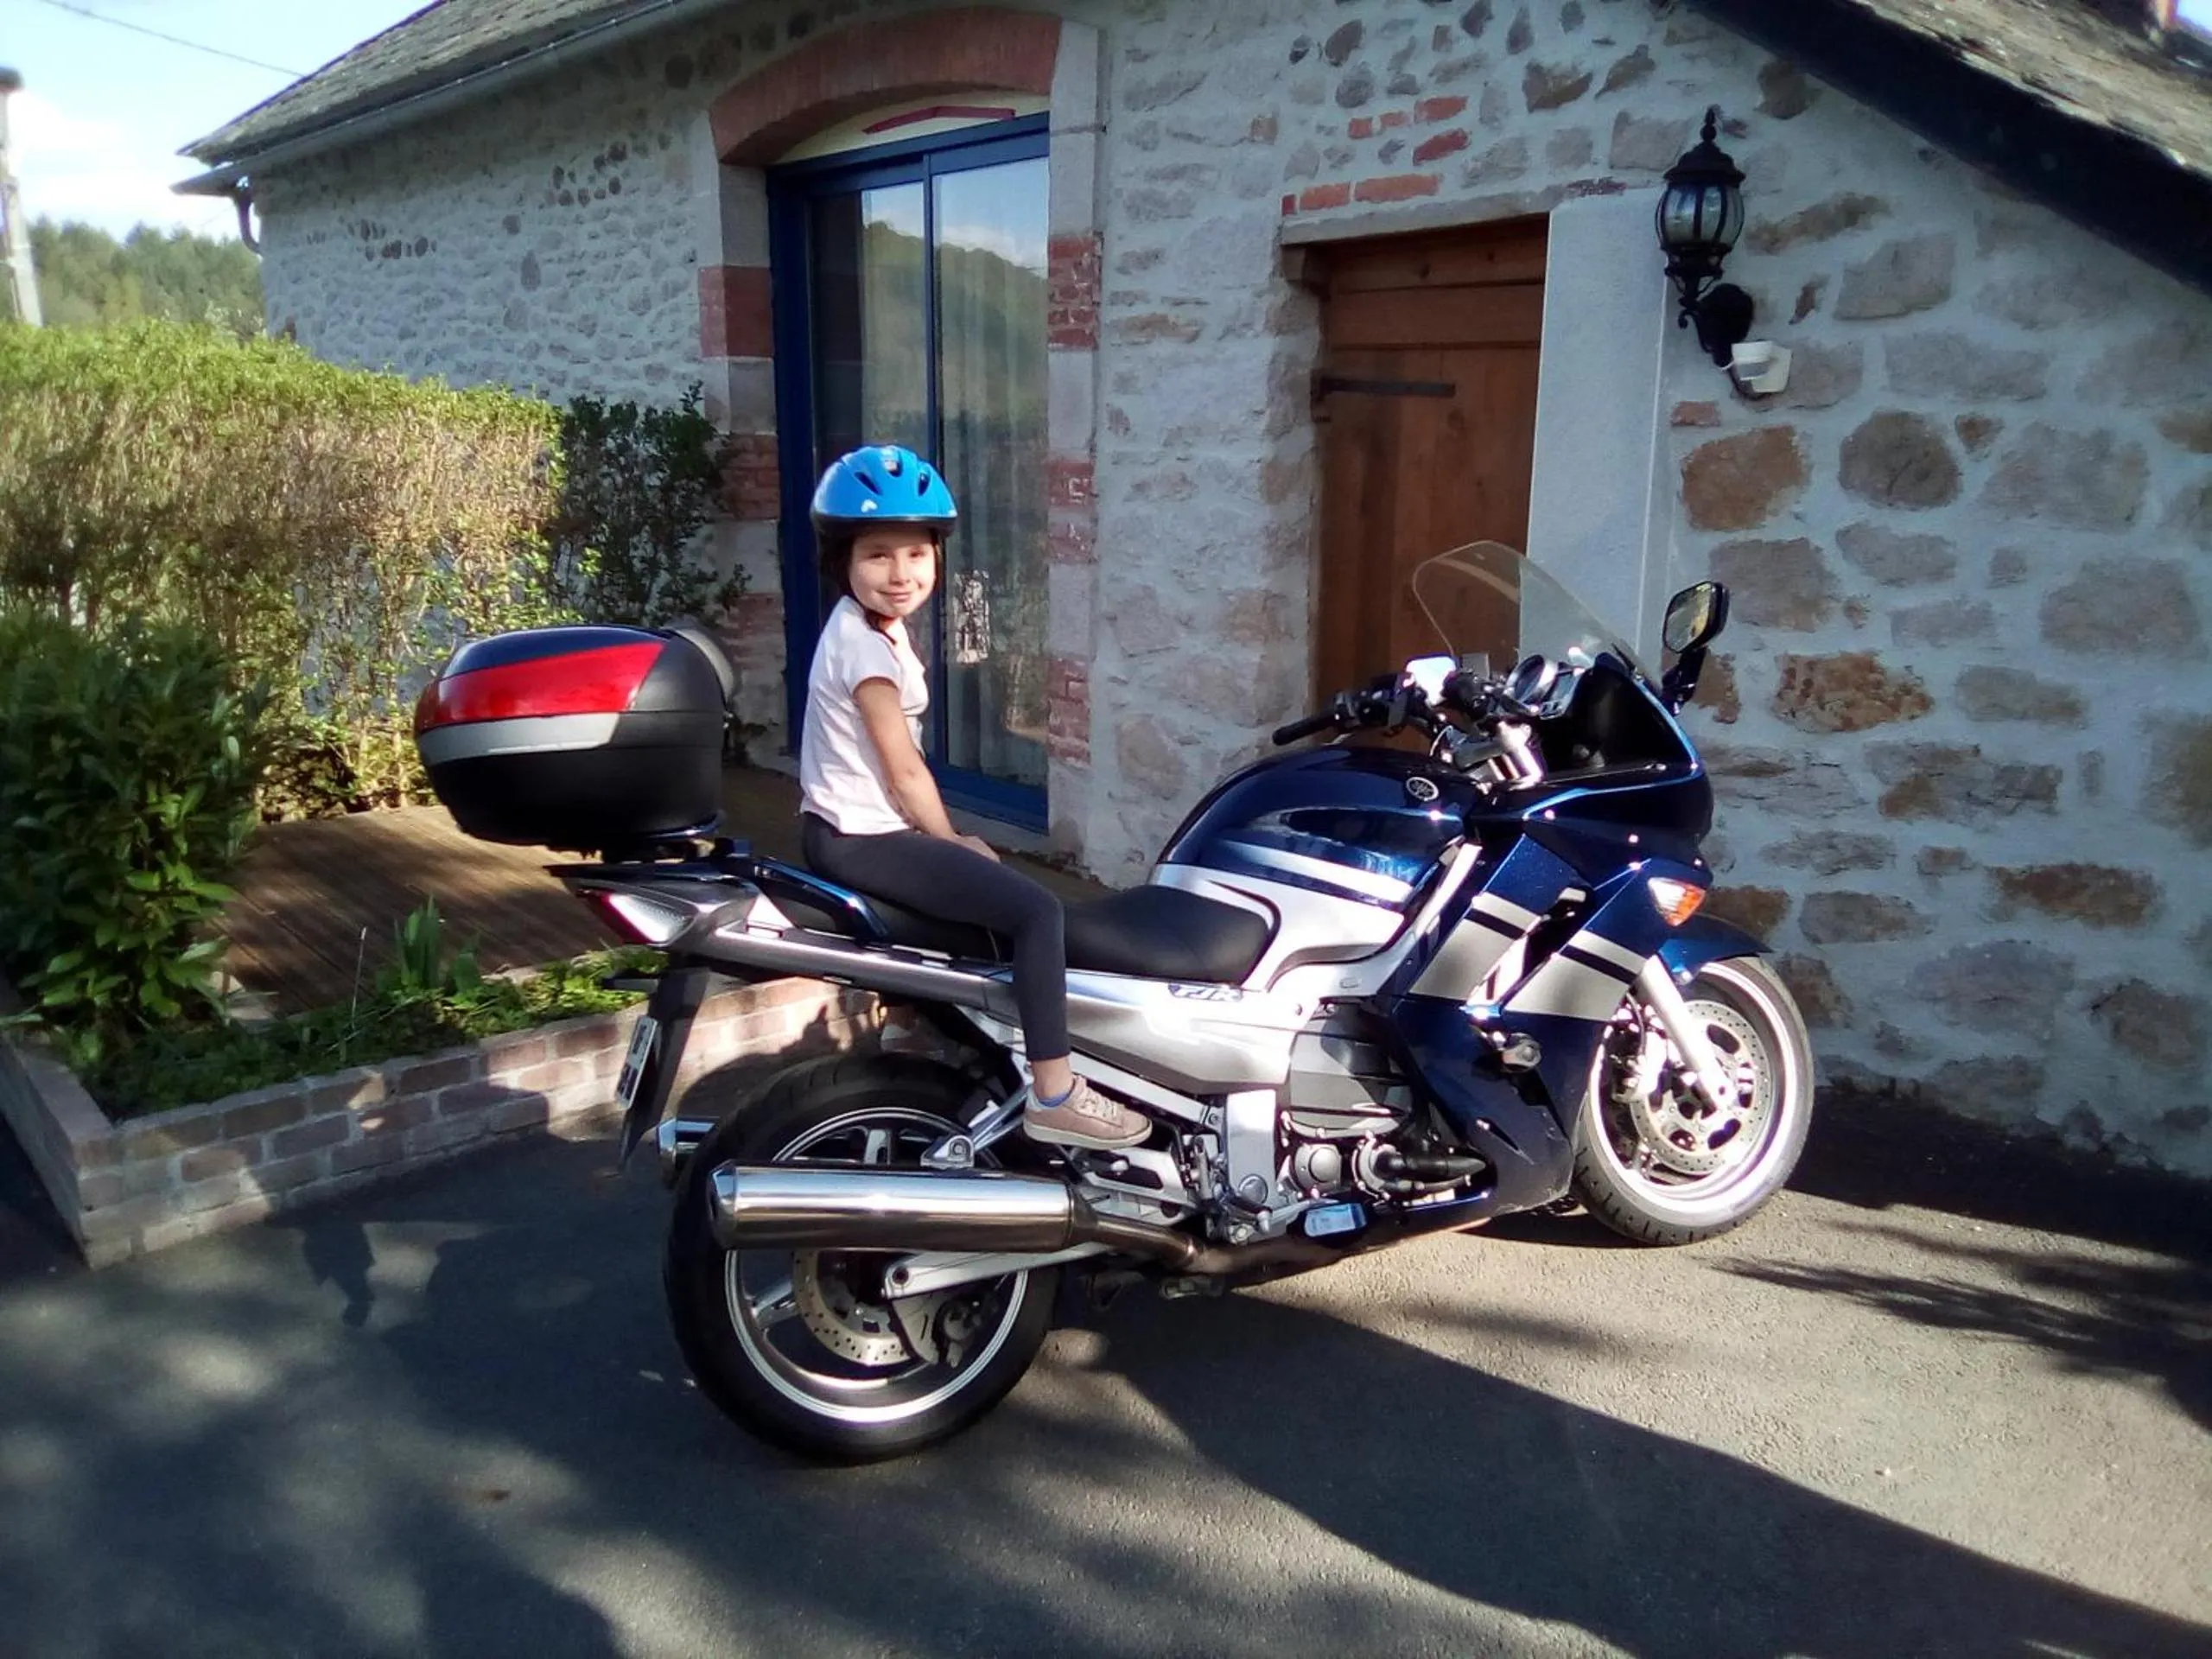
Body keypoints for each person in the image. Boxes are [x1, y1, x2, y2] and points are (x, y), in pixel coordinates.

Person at [796, 444, 1150, 1152]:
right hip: (862, 835)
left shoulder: (864, 628)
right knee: (1035, 910)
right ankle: (1056, 1092)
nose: (901, 574)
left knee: (969, 915)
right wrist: (950, 839)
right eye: (878, 555)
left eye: (916, 556)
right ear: (844, 560)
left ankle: (917, 1034)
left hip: (842, 827)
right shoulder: (864, 651)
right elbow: (903, 770)